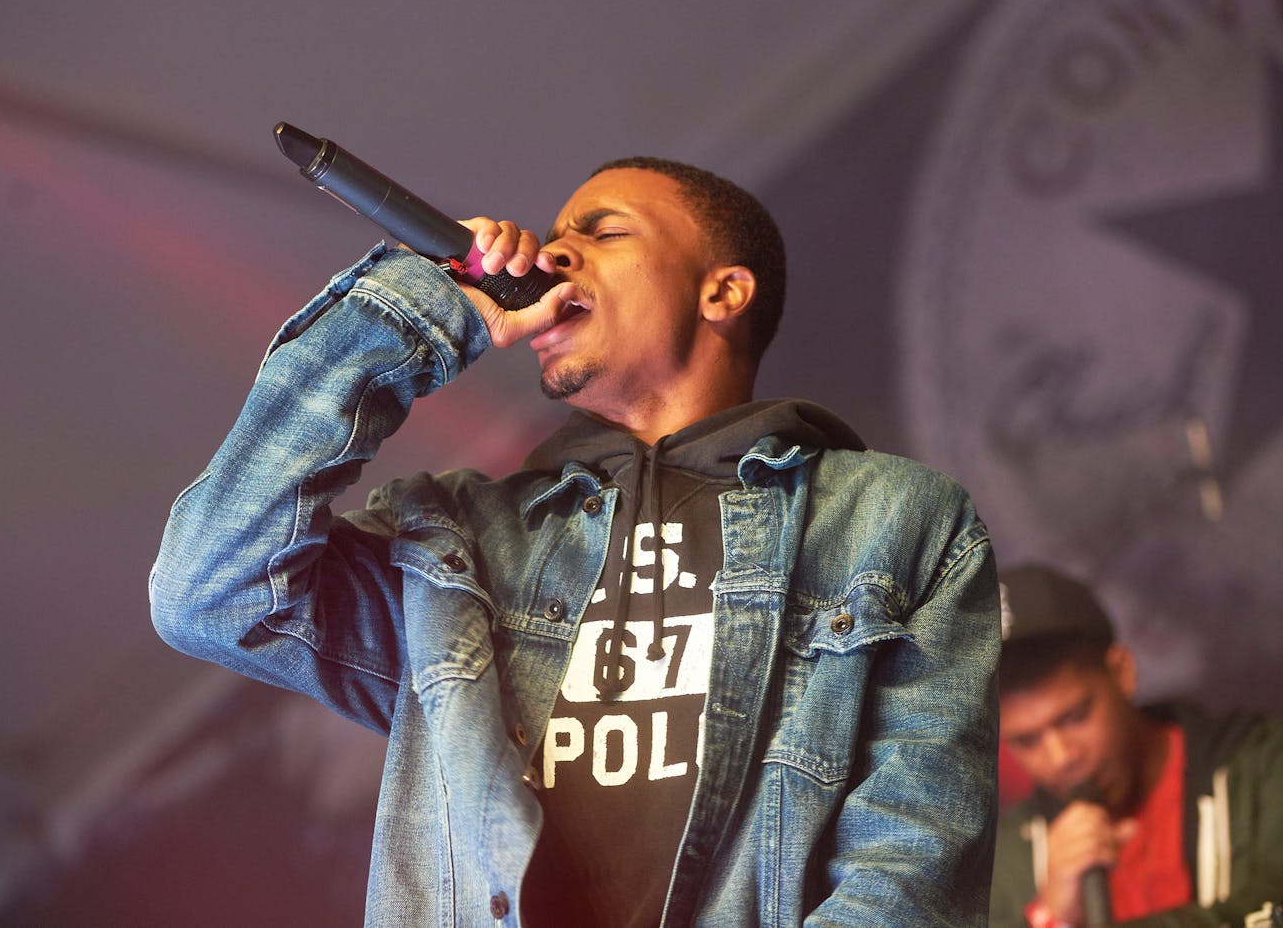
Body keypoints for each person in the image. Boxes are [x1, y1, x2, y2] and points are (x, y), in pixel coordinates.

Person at [150, 157, 1001, 926]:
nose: (553, 255)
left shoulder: (892, 519)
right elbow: (209, 592)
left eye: (602, 232)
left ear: (723, 293)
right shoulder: (464, 545)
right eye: (553, 239)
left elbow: (909, 862)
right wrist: (422, 317)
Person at [989, 564, 1283, 928]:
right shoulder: (1003, 860)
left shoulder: (1262, 767)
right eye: (1026, 740)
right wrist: (1048, 917)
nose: (1061, 757)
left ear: (1121, 672)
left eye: (1075, 717)